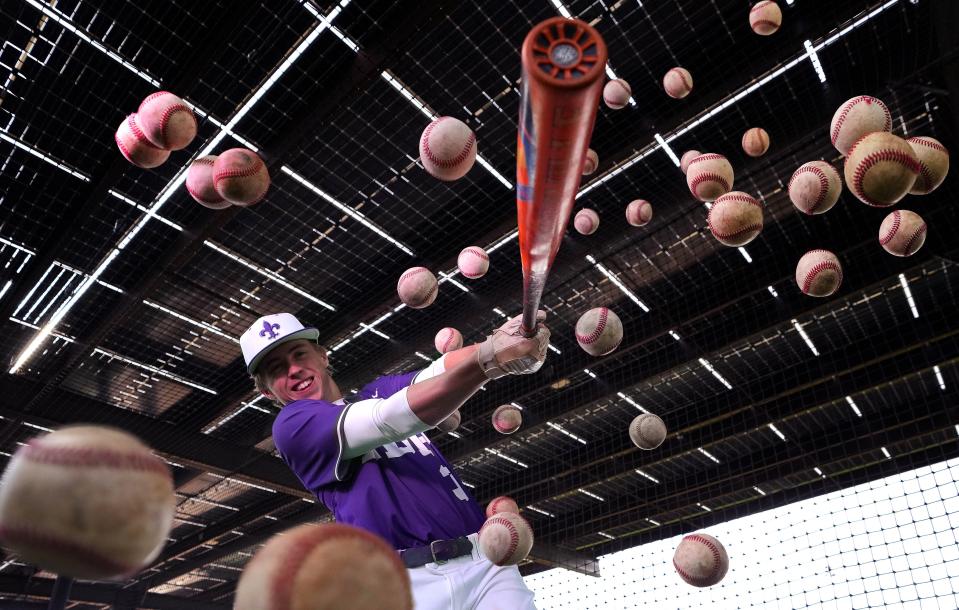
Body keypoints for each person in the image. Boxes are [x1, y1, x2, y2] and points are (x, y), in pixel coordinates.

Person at [240, 310, 551, 610]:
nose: (293, 369)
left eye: (299, 353)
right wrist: (490, 359)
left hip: (485, 564)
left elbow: (442, 369)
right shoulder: (293, 426)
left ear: (322, 355)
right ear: (267, 391)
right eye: (276, 369)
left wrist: (512, 342)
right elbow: (389, 418)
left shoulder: (376, 391)